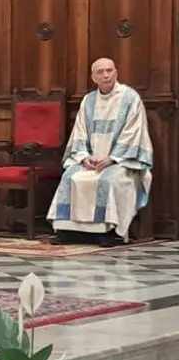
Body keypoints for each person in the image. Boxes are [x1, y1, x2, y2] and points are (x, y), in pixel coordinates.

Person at [48, 58, 153, 246]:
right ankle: (67, 231)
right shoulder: (89, 101)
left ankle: (110, 230)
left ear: (116, 73)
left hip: (123, 161)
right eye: (101, 72)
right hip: (92, 160)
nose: (106, 75)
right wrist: (83, 157)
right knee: (70, 177)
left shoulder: (130, 98)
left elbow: (133, 132)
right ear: (93, 77)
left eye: (109, 70)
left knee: (108, 180)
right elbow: (79, 131)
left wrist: (112, 158)